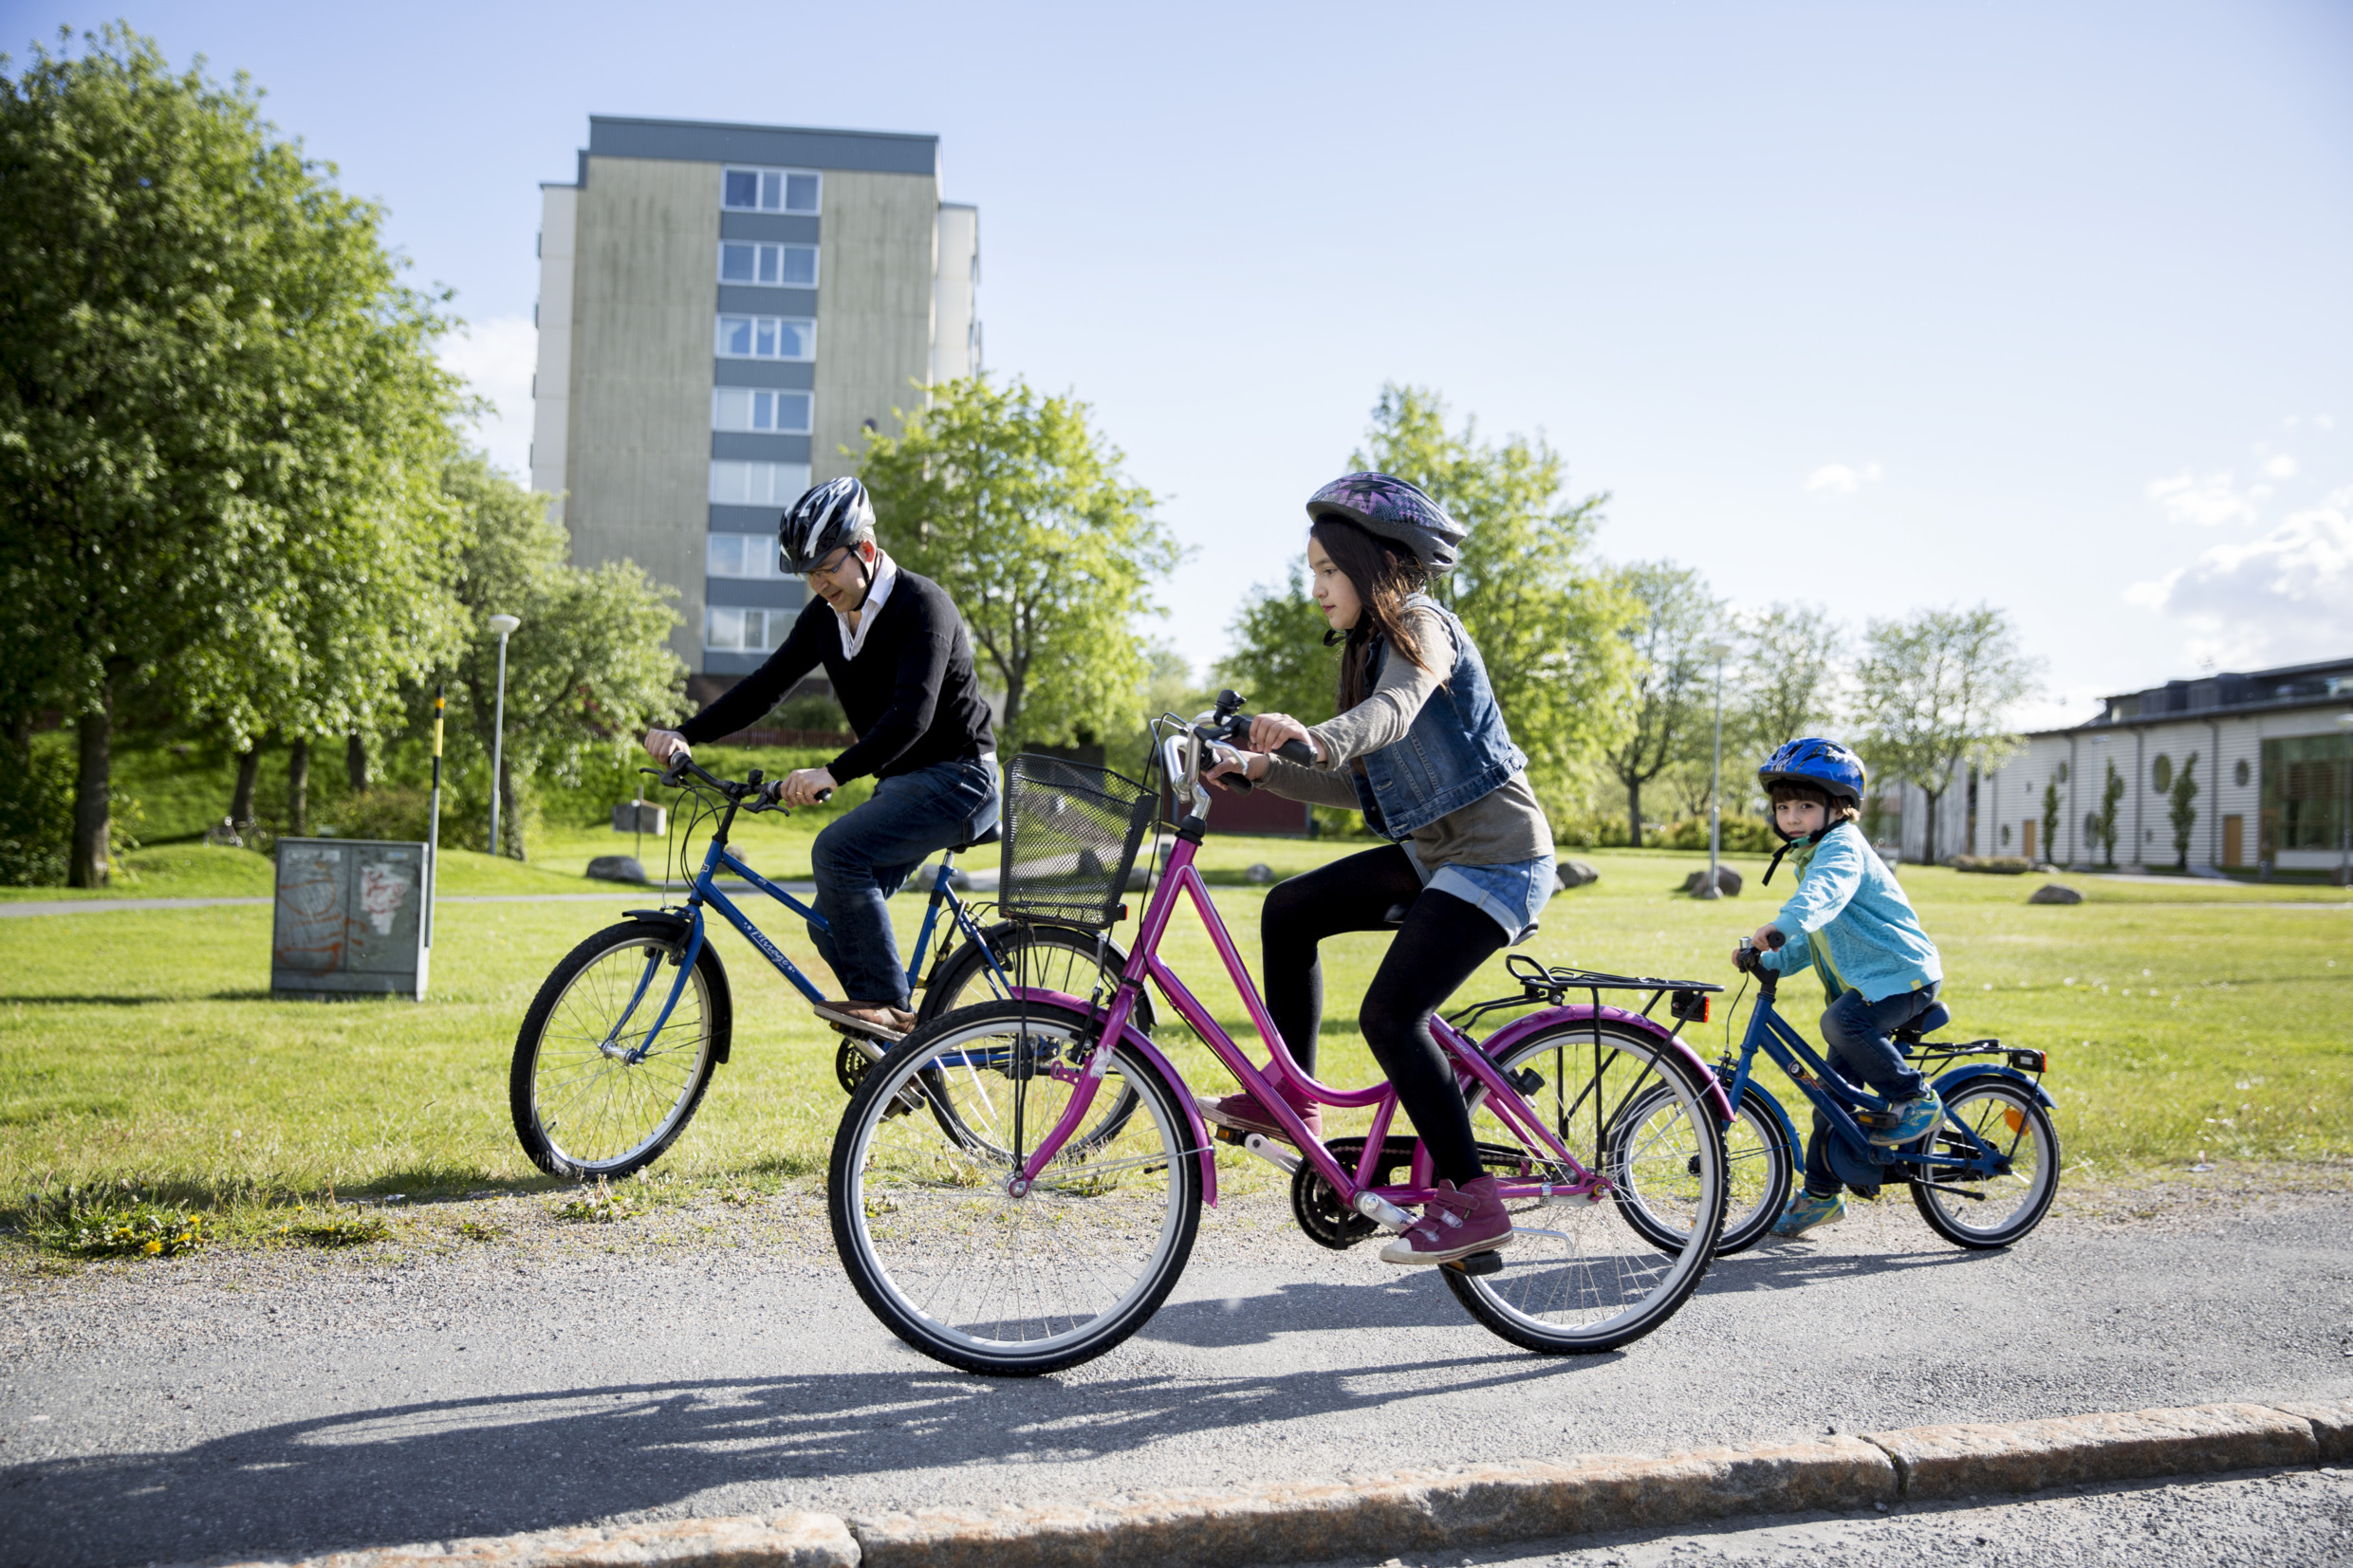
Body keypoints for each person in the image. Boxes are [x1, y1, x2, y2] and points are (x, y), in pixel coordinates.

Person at [1202, 472, 1556, 1267]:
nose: (1317, 589)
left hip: (1498, 858)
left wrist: (1317, 735)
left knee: (1392, 1015)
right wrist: (1261, 769)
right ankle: (1291, 1093)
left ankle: (1473, 1200)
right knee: (1288, 909)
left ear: (1372, 564)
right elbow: (1353, 781)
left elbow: (1391, 715)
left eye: (1328, 571)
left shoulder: (1423, 629)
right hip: (1435, 855)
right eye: (1313, 572)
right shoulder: (1365, 653)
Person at [643, 477, 998, 1042]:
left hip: (961, 779)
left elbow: (913, 717)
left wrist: (832, 772)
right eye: (806, 571)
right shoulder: (825, 618)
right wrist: (686, 733)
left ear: (866, 550)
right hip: (905, 785)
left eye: (826, 566)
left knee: (836, 851)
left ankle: (891, 1017)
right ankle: (900, 1056)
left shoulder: (922, 606)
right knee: (830, 924)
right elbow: (765, 688)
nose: (818, 581)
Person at [1737, 738, 1946, 1239]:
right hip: (1873, 984)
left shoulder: (1842, 849)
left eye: (1806, 806)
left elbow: (1821, 898)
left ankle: (1916, 1098)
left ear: (1839, 807)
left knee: (1839, 1022)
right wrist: (1772, 958)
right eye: (1784, 806)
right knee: (1830, 1097)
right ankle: (1822, 1197)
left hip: (1903, 977)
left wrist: (1783, 921)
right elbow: (1817, 935)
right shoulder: (1812, 854)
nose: (1792, 816)